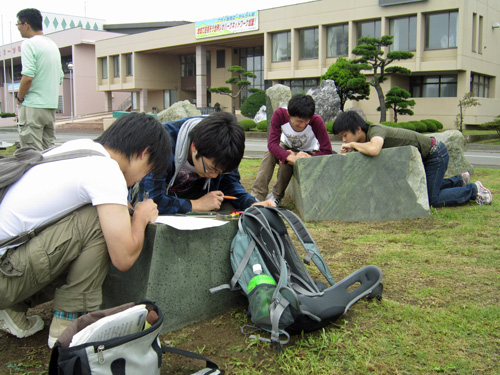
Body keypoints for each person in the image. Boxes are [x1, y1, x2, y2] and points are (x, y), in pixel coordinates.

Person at [0, 112, 171, 348]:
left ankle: (16, 306)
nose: (141, 178)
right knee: (99, 222)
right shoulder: (106, 170)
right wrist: (140, 217)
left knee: (99, 219)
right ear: (144, 153)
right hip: (5, 274)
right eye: (148, 170)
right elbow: (123, 258)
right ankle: (69, 323)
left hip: (8, 265)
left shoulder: (78, 149)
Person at [332, 111, 493, 207]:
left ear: (358, 129)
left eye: (345, 135)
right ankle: (459, 180)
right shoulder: (366, 139)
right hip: (428, 154)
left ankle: (473, 190)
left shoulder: (376, 131)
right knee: (424, 189)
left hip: (435, 154)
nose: (344, 140)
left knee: (431, 199)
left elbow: (374, 150)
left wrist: (353, 144)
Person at [135, 112, 275, 214]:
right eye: (211, 169)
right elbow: (149, 200)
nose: (214, 176)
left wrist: (252, 203)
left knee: (232, 213)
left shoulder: (226, 146)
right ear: (194, 147)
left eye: (220, 172)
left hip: (197, 193)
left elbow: (231, 185)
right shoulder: (162, 143)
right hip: (156, 193)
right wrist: (195, 205)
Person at [250, 94, 333, 206]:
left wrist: (309, 158)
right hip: (286, 146)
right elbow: (272, 144)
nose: (303, 124)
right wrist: (288, 156)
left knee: (287, 164)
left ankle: (276, 196)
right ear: (289, 114)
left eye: (306, 121)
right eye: (299, 121)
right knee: (270, 154)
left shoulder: (316, 121)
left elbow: (327, 151)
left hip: (306, 152)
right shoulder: (280, 114)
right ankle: (257, 195)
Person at [15, 8, 64, 150]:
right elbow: (60, 76)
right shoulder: (52, 45)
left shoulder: (29, 44)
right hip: (50, 107)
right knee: (49, 152)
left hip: (33, 107)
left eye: (18, 24)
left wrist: (20, 98)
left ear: (26, 24)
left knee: (32, 154)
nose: (18, 28)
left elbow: (28, 77)